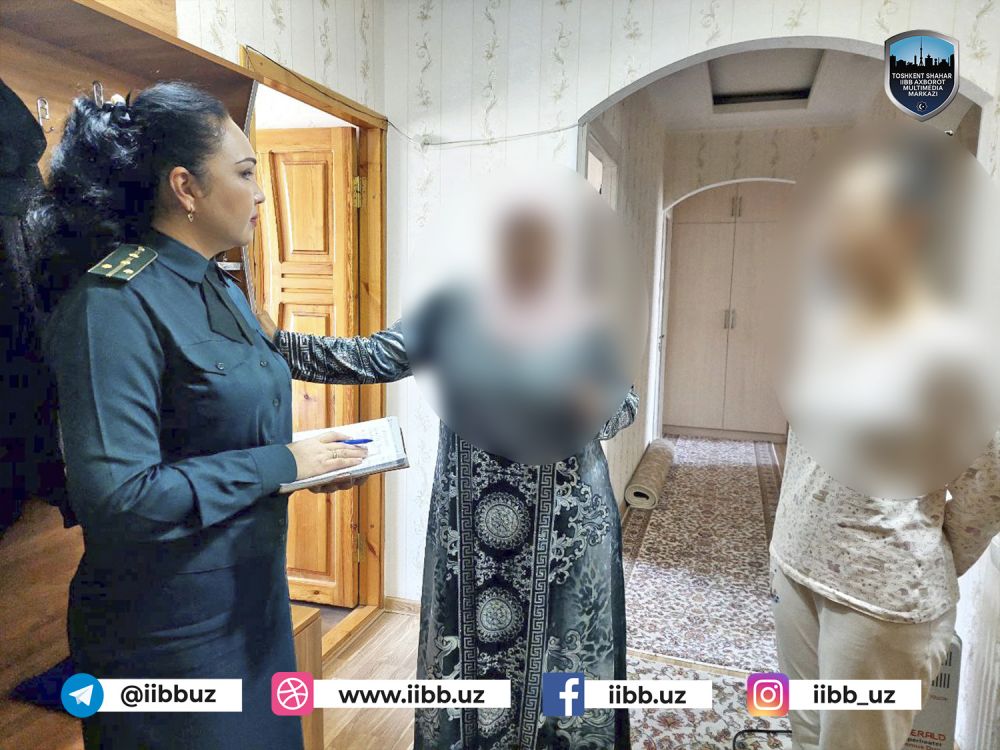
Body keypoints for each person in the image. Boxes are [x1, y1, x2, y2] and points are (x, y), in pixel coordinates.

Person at [30, 81, 367, 749]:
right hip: (168, 630)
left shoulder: (220, 284)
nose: (261, 193)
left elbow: (221, 426)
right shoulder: (112, 304)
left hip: (253, 600)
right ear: (185, 187)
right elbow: (120, 499)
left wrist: (307, 468)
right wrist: (281, 462)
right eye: (244, 173)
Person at [259, 193, 638, 749]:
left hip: (566, 533)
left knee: (563, 665)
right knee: (471, 662)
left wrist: (595, 406)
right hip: (472, 534)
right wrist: (278, 343)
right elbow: (369, 357)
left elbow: (624, 403)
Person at [771, 127, 1000, 750]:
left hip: (881, 602)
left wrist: (907, 554)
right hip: (795, 562)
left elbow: (985, 489)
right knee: (806, 731)